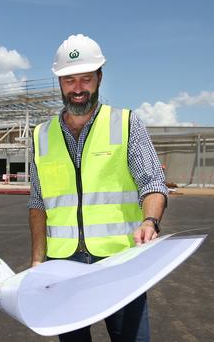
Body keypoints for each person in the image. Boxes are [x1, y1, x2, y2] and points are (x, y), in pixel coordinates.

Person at [28, 34, 169, 342]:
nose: (77, 88)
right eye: (69, 80)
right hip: (63, 265)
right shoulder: (40, 136)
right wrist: (38, 260)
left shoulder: (127, 124)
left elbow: (153, 183)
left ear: (99, 78)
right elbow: (38, 203)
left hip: (120, 263)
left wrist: (150, 220)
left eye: (85, 78)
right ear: (59, 83)